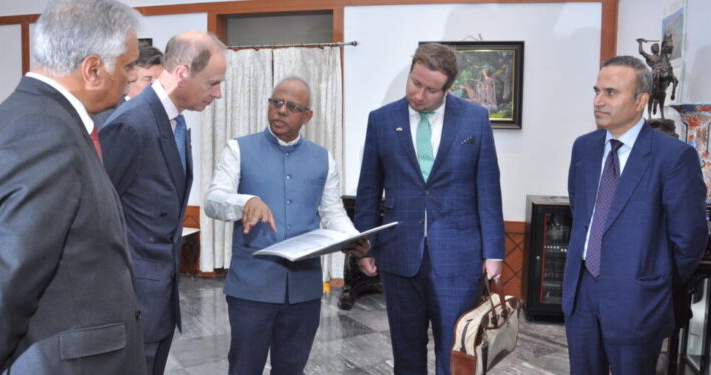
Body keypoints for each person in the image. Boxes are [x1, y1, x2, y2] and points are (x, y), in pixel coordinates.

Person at [0, 0, 146, 374]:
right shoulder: (45, 133)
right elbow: (8, 284)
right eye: (128, 65)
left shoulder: (20, 118)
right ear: (93, 69)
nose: (131, 77)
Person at [354, 43, 504, 375]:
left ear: (448, 89)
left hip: (459, 254)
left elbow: (488, 188)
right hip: (399, 253)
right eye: (415, 83)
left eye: (431, 89)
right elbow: (368, 188)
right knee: (405, 348)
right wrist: (364, 246)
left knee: (454, 350)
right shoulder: (381, 120)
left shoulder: (474, 119)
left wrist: (494, 252)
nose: (419, 94)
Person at [204, 77, 370, 375]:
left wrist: (354, 240)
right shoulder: (238, 149)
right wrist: (245, 202)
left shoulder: (323, 158)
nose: (281, 111)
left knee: (292, 368)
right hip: (251, 288)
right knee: (244, 368)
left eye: (292, 107)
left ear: (307, 116)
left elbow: (332, 212)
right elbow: (213, 200)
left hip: (304, 289)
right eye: (276, 102)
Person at [562, 55, 708, 374]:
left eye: (610, 92)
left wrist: (652, 280)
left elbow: (690, 239)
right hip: (582, 293)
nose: (598, 101)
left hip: (639, 299)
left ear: (641, 100)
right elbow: (580, 211)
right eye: (596, 90)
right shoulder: (583, 148)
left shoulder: (673, 157)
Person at [99, 30, 226, 375]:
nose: (218, 93)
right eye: (213, 83)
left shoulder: (175, 121)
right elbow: (96, 217)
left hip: (159, 299)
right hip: (129, 303)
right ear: (183, 73)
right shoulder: (131, 125)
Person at [93, 44, 164, 128]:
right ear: (129, 77)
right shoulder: (107, 116)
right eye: (148, 79)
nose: (156, 86)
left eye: (160, 79)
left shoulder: (164, 113)